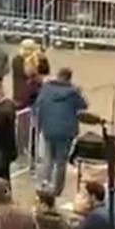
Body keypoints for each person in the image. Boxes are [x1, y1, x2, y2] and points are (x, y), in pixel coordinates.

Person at [32, 67, 87, 196]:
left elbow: (37, 106)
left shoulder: (46, 89)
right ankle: (57, 190)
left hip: (48, 128)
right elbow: (83, 106)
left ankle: (44, 184)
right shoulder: (73, 92)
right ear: (69, 78)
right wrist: (79, 91)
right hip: (66, 131)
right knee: (61, 162)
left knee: (48, 159)